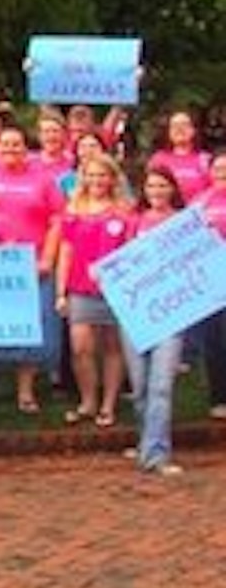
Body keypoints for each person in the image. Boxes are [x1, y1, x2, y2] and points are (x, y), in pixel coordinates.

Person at [0, 127, 64, 415]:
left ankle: (25, 389)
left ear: (26, 149)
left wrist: (47, 258)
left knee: (31, 325)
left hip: (34, 264)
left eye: (16, 144)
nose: (10, 149)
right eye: (4, 144)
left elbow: (58, 219)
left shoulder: (43, 179)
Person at [54, 153, 133, 429]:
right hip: (80, 288)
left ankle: (108, 404)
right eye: (92, 174)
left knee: (113, 348)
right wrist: (60, 291)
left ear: (112, 178)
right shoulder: (73, 210)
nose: (97, 180)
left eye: (103, 175)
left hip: (115, 292)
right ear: (83, 177)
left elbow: (133, 251)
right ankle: (88, 399)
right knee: (80, 348)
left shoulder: (124, 210)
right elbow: (66, 250)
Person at [122, 167, 188, 474]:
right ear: (144, 191)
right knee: (140, 387)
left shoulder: (187, 224)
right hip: (135, 313)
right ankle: (146, 441)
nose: (157, 191)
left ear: (172, 189)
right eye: (151, 186)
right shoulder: (132, 222)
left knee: (161, 386)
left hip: (172, 314)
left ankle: (156, 454)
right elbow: (118, 261)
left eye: (163, 185)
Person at [192, 151, 226, 418]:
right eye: (218, 169)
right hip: (211, 281)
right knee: (214, 340)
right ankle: (218, 397)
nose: (222, 173)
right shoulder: (199, 202)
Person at [147, 111, 211, 200]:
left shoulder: (205, 159)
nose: (179, 129)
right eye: (174, 126)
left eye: (184, 125)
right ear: (169, 132)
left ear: (193, 130)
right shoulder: (158, 159)